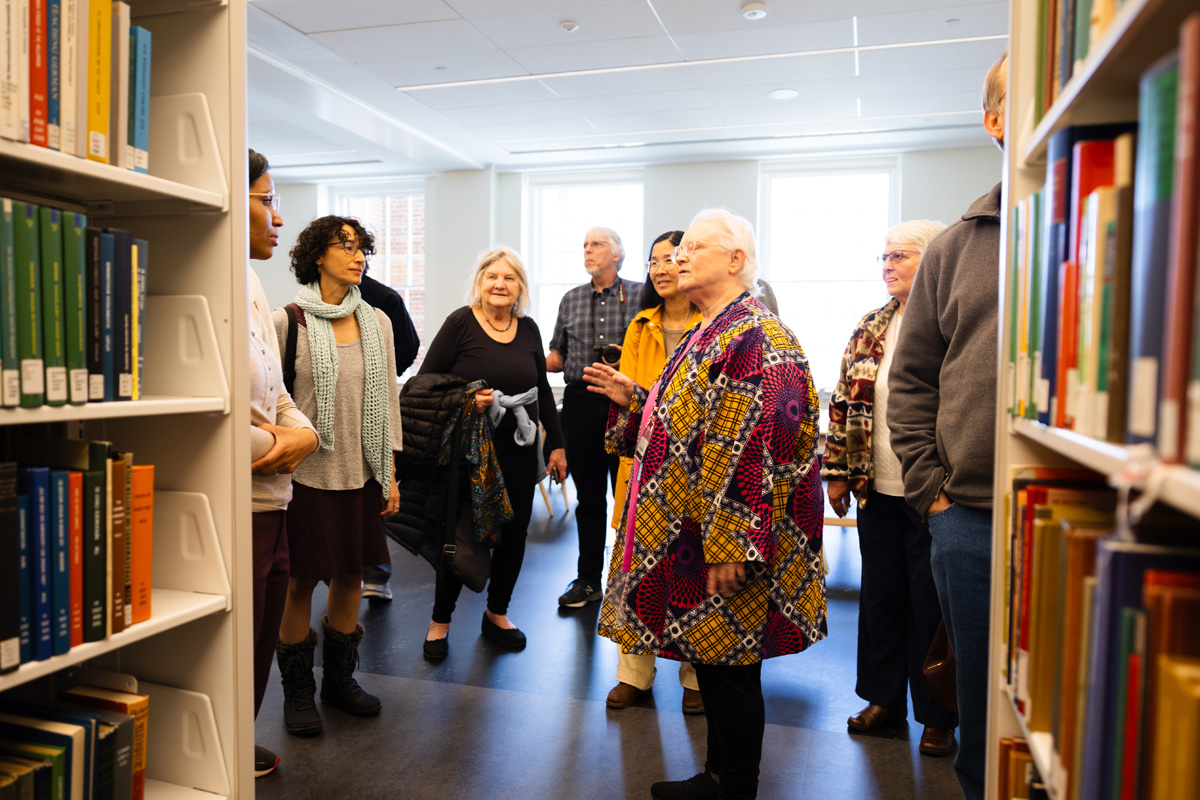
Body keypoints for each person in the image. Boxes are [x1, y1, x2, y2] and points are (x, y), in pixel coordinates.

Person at [586, 208, 827, 800]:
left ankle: (734, 788)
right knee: (719, 667)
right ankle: (718, 776)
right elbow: (693, 423)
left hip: (728, 538)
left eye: (694, 247)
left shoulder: (758, 336)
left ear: (736, 260)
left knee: (734, 670)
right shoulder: (710, 329)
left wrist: (734, 545)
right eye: (675, 250)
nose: (678, 258)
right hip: (699, 533)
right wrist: (638, 399)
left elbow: (751, 445)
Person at [888, 51, 1007, 800]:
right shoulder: (957, 248)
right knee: (980, 700)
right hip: (968, 516)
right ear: (996, 121)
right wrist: (934, 493)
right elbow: (912, 381)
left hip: (1103, 510)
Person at [822, 220, 957, 757]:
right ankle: (883, 699)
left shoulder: (952, 320)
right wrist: (835, 470)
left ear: (933, 260)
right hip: (875, 486)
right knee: (881, 596)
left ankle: (938, 713)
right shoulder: (871, 325)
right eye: (883, 257)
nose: (887, 266)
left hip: (936, 491)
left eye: (899, 256)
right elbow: (842, 402)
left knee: (932, 601)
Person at [272, 215, 403, 738]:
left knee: (352, 574)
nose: (358, 256)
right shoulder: (290, 321)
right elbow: (272, 403)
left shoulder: (378, 321)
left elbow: (388, 402)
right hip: (305, 476)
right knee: (301, 579)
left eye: (361, 247)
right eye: (344, 246)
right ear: (316, 256)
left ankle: (340, 682)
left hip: (363, 471)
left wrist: (390, 473)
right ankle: (298, 692)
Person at [418, 246, 567, 657]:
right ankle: (439, 621)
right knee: (460, 533)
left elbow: (539, 392)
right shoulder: (461, 323)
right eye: (492, 276)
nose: (500, 284)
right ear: (479, 283)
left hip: (518, 451)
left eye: (510, 277)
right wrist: (469, 399)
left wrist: (557, 446)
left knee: (514, 535)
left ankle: (497, 613)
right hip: (468, 451)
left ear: (520, 286)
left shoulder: (529, 328)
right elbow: (425, 386)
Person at [602, 230, 705, 715]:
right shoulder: (639, 324)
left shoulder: (716, 326)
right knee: (635, 571)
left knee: (691, 570)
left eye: (671, 259)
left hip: (696, 472)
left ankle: (695, 676)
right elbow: (625, 410)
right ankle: (634, 675)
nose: (661, 269)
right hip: (642, 468)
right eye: (653, 261)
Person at [246, 149, 320, 778]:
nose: (278, 214)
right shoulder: (204, 281)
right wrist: (276, 448)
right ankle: (218, 746)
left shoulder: (249, 280)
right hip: (240, 499)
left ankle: (235, 738)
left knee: (261, 633)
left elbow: (276, 393)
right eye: (266, 200)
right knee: (236, 636)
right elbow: (211, 414)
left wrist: (303, 436)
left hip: (276, 496)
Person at [547, 227, 641, 608]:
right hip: (580, 404)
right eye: (584, 245)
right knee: (589, 498)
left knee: (630, 498)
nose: (588, 250)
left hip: (627, 404)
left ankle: (631, 579)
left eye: (597, 244)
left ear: (618, 254)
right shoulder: (570, 299)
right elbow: (556, 355)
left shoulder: (640, 295)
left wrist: (626, 359)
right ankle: (588, 580)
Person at [359, 272, 420, 603]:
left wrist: (382, 371)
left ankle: (375, 571)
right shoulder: (300, 308)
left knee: (373, 488)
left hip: (373, 402)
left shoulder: (384, 300)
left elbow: (409, 346)